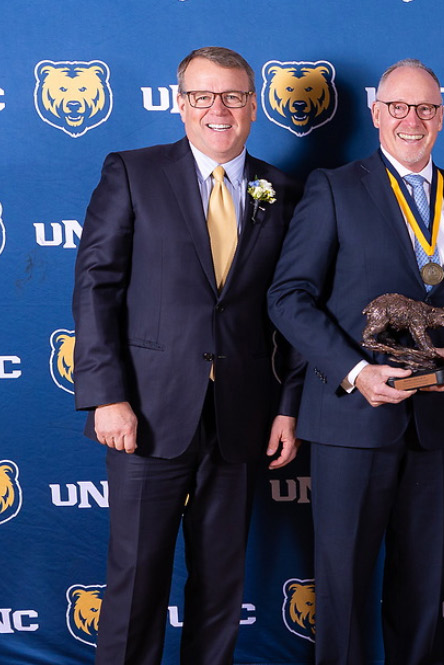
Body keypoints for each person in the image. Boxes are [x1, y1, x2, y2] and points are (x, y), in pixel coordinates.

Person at [72, 46, 302, 665]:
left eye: (232, 96)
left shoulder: (284, 190)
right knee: (135, 583)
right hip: (145, 413)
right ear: (180, 104)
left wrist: (288, 406)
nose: (217, 109)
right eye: (202, 96)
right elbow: (95, 286)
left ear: (253, 105)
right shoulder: (133, 172)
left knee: (222, 587)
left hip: (241, 417)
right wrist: (107, 396)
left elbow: (294, 309)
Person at [266, 59, 444, 664]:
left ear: (441, 116)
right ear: (376, 113)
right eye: (398, 107)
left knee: (423, 584)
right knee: (341, 584)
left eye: (426, 108)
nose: (412, 119)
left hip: (433, 423)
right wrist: (356, 371)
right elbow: (288, 296)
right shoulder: (334, 187)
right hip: (352, 418)